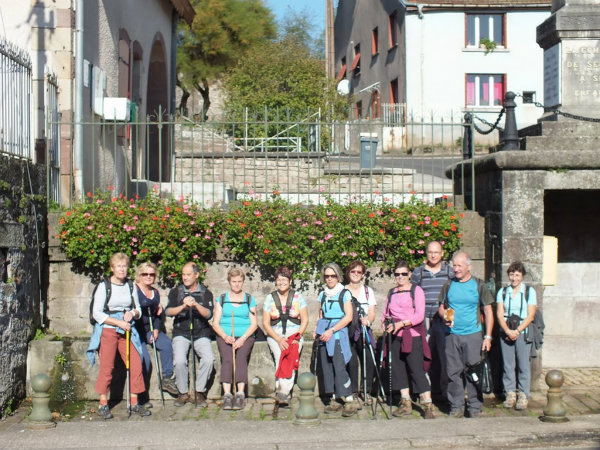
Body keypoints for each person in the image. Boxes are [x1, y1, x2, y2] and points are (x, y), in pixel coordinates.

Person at [87, 252, 151, 419]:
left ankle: (135, 402)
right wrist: (118, 323)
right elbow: (97, 314)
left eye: (124, 266)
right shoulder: (104, 286)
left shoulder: (130, 286)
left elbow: (138, 308)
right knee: (107, 367)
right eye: (119, 266)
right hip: (108, 329)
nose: (122, 269)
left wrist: (132, 313)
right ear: (112, 268)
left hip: (127, 329)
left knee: (136, 362)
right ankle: (103, 404)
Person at [438, 252, 494, 418]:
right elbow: (441, 307)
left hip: (473, 334)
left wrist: (488, 336)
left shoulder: (479, 285)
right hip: (452, 335)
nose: (456, 269)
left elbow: (488, 311)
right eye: (454, 265)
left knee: (473, 372)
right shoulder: (448, 285)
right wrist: (444, 316)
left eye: (459, 266)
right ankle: (456, 407)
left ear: (469, 266)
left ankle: (475, 407)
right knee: (453, 372)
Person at [382, 260, 435, 419]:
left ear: (410, 274)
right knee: (398, 370)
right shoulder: (391, 292)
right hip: (395, 336)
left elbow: (419, 315)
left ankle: (427, 404)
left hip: (412, 336)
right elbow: (386, 314)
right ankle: (405, 402)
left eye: (404, 274)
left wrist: (402, 323)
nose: (400, 277)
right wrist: (386, 324)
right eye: (397, 274)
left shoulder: (416, 291)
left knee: (416, 370)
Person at [165, 262, 215, 408]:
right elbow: (168, 312)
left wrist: (196, 305)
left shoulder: (206, 293)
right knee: (179, 361)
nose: (185, 278)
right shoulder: (176, 292)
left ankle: (199, 392)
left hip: (201, 332)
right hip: (181, 331)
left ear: (196, 275)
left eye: (188, 275)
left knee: (208, 359)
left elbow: (209, 314)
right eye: (183, 275)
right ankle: (183, 392)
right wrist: (183, 306)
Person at [411, 241, 454, 399]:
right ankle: (425, 391)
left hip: (443, 318)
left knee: (445, 355)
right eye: (430, 252)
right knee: (424, 355)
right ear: (426, 254)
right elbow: (412, 295)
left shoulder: (449, 272)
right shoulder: (418, 272)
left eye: (436, 252)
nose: (433, 255)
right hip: (424, 319)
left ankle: (445, 392)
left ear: (442, 253)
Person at [314, 262, 358, 417]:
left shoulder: (344, 294)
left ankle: (349, 399)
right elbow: (320, 313)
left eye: (332, 276)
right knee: (327, 367)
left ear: (338, 276)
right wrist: (316, 329)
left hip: (338, 334)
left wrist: (332, 330)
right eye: (327, 276)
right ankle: (334, 397)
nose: (329, 279)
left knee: (339, 366)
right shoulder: (323, 294)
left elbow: (348, 317)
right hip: (324, 334)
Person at [262, 266, 309, 407]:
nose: (281, 282)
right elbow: (265, 323)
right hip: (275, 335)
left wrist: (296, 336)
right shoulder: (270, 298)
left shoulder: (298, 297)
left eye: (284, 279)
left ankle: (282, 392)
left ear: (290, 281)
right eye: (279, 279)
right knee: (280, 355)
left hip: (294, 334)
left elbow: (305, 320)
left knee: (290, 356)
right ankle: (283, 392)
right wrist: (278, 339)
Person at [212, 267, 258, 410]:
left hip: (245, 335)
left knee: (241, 358)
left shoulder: (249, 299)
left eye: (239, 281)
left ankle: (240, 393)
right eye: (234, 281)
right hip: (225, 334)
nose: (237, 284)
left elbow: (254, 324)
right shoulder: (222, 299)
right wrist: (225, 336)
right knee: (227, 358)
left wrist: (243, 338)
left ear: (243, 282)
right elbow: (215, 323)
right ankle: (226, 394)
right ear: (229, 282)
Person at [133, 262, 179, 404]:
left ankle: (166, 378)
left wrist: (156, 329)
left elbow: (158, 316)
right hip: (137, 331)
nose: (148, 277)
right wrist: (155, 305)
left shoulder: (155, 293)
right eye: (145, 274)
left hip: (150, 329)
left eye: (151, 274)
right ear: (139, 276)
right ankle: (141, 394)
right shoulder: (134, 290)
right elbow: (142, 305)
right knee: (144, 360)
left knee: (166, 344)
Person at [497, 261, 537, 411]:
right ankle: (510, 393)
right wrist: (508, 331)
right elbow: (500, 314)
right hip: (506, 330)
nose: (514, 278)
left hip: (522, 330)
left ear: (522, 276)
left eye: (517, 275)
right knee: (508, 365)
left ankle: (523, 394)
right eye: (512, 274)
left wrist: (517, 331)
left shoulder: (529, 292)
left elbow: (531, 315)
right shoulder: (502, 292)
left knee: (523, 365)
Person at [344, 260, 377, 405]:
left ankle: (366, 390)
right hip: (348, 329)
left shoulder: (368, 291)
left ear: (363, 274)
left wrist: (368, 321)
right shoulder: (343, 290)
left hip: (363, 328)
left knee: (369, 358)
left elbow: (372, 312)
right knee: (351, 361)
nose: (356, 274)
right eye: (353, 271)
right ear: (348, 273)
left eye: (359, 272)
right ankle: (353, 391)